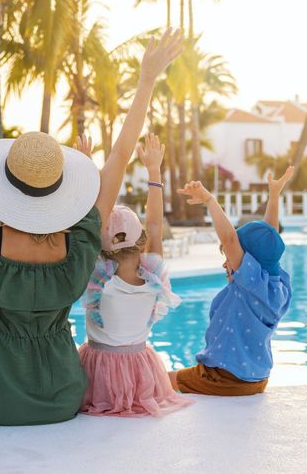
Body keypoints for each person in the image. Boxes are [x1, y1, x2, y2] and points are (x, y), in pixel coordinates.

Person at [0, 7, 183, 425]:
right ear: (59, 190)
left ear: (6, 185)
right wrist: (146, 80)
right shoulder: (81, 242)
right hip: (62, 397)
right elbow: (122, 155)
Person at [76, 133, 193, 417]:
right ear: (140, 239)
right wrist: (154, 170)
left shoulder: (97, 278)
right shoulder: (153, 276)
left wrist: (87, 166)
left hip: (99, 371)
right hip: (142, 368)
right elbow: (155, 224)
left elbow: (92, 215)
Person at [169, 167, 295, 396]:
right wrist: (274, 195)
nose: (226, 264)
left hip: (225, 377)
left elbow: (228, 238)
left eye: (229, 258)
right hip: (257, 378)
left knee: (160, 379)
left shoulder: (249, 282)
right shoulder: (277, 286)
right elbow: (270, 236)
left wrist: (210, 200)